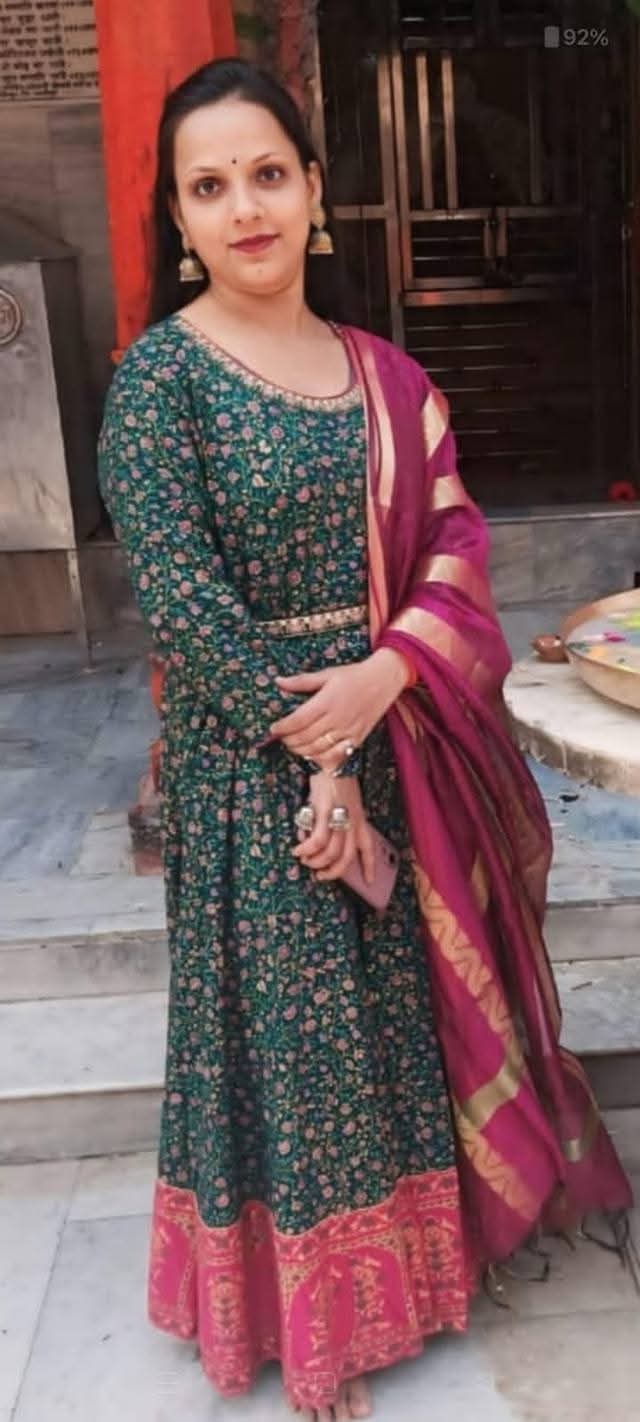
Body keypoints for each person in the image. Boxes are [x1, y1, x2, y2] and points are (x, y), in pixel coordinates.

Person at [97, 56, 633, 1422]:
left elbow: (452, 542)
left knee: (396, 1026)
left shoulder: (384, 374)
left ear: (315, 190)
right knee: (298, 1047)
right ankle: (314, 1325)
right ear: (178, 217)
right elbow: (183, 598)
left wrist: (388, 676)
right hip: (253, 769)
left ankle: (417, 1278)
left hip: (392, 739)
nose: (245, 208)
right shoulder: (159, 383)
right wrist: (316, 747)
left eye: (267, 174)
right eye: (209, 187)